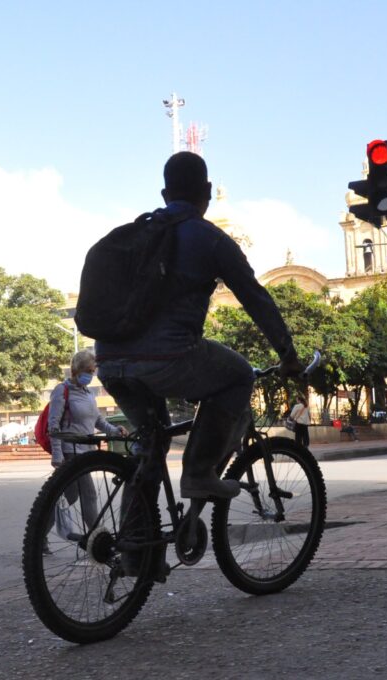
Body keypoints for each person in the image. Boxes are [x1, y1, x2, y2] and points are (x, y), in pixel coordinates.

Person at [97, 151, 303, 502]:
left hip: (109, 361)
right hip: (169, 358)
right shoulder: (211, 239)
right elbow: (256, 299)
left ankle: (135, 552)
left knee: (151, 447)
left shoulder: (137, 232)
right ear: (207, 192)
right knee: (239, 375)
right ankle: (198, 473)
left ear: (165, 195)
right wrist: (288, 355)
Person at [45, 348, 128, 550]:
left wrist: (114, 430)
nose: (91, 375)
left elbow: (96, 420)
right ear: (76, 370)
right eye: (88, 371)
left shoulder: (87, 393)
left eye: (93, 371)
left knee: (68, 497)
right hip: (70, 451)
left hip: (86, 450)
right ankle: (99, 539)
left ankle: (39, 533)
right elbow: (53, 425)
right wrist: (57, 455)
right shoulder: (61, 391)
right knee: (89, 495)